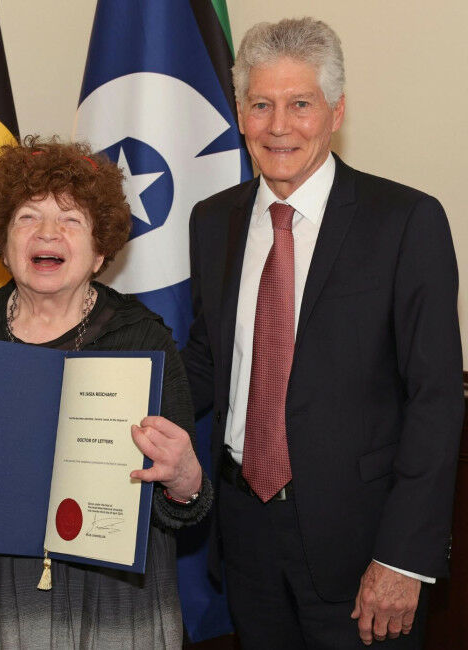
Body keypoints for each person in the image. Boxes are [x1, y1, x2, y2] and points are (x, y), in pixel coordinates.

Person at [153, 16, 464, 650]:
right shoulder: (212, 221)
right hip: (244, 535)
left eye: (300, 104)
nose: (278, 126)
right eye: (261, 105)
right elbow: (211, 363)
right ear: (239, 115)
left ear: (336, 112)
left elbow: (435, 400)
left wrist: (404, 559)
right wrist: (105, 399)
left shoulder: (406, 222)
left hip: (363, 548)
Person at [0, 137, 213, 648]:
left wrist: (186, 479)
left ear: (100, 246)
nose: (47, 233)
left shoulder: (142, 337)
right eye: (28, 217)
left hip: (115, 601)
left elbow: (182, 501)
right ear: (3, 239)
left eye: (70, 220)